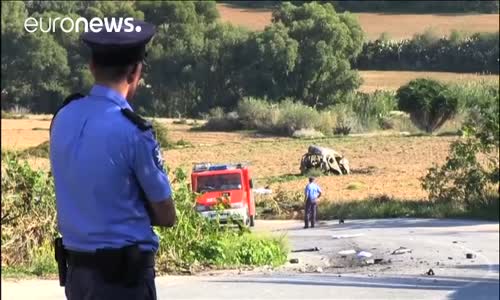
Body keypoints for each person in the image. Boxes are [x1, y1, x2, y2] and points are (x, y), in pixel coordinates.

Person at [49, 20, 176, 300]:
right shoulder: (134, 131)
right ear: (135, 70)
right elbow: (166, 215)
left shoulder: (62, 118)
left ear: (92, 66)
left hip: (77, 276)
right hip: (123, 281)